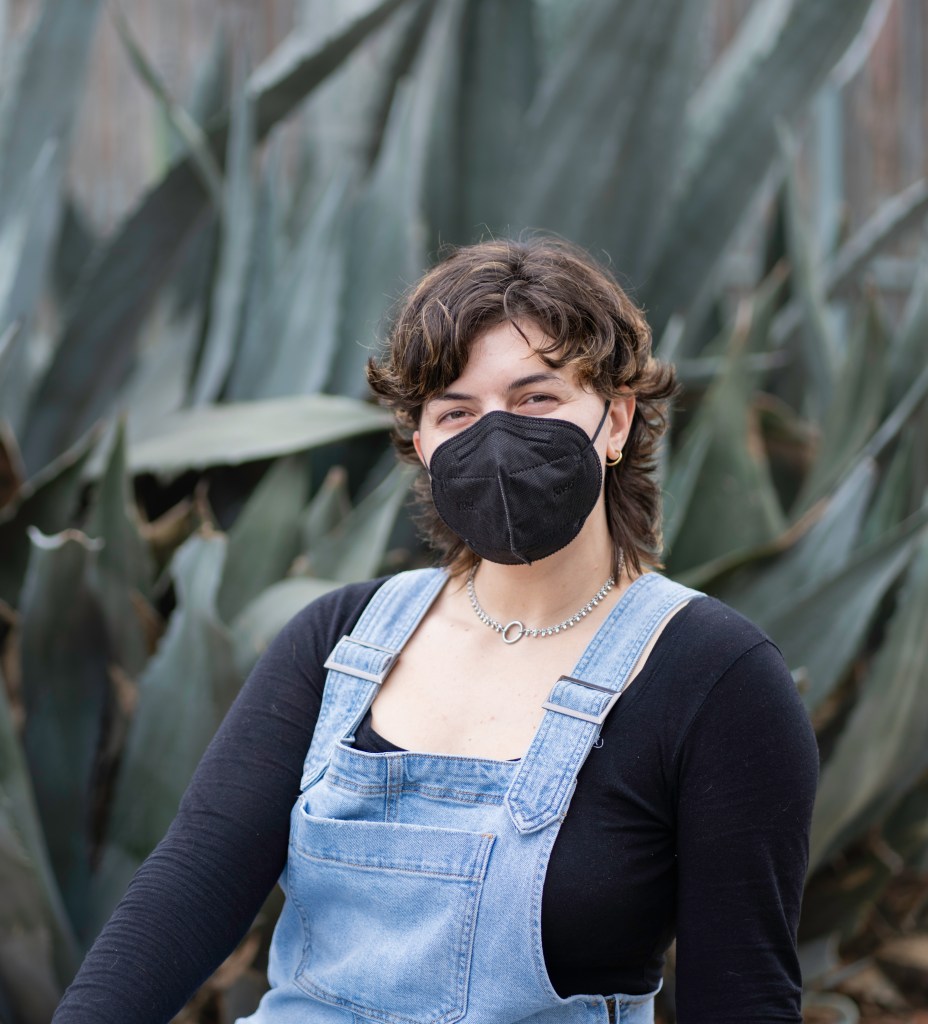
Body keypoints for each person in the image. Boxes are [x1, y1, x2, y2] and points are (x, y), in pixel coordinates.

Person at [53, 237, 819, 1024]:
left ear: (616, 419)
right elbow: (194, 886)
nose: (496, 439)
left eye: (536, 400)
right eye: (458, 412)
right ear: (421, 445)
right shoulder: (338, 643)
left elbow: (743, 997)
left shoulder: (715, 678)